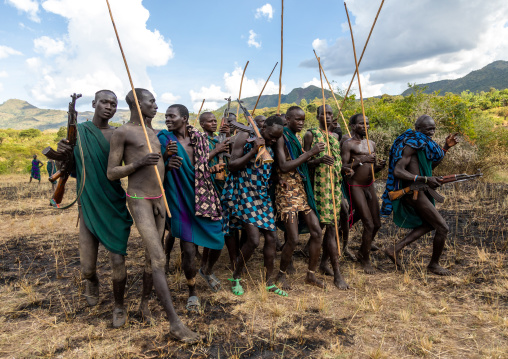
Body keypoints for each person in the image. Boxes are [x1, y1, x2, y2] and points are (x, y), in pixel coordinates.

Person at [107, 89, 199, 343]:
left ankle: (145, 303)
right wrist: (138, 164)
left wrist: (168, 165)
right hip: (139, 200)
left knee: (151, 259)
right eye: (152, 102)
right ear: (138, 104)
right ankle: (175, 324)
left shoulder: (155, 134)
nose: (156, 106)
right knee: (159, 258)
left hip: (160, 199)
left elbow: (159, 171)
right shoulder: (123, 132)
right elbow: (112, 172)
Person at [55, 90, 134, 328]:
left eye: (113, 103)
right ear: (94, 104)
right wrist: (63, 154)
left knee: (118, 262)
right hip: (88, 205)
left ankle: (119, 306)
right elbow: (69, 169)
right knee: (87, 269)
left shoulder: (118, 135)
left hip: (114, 205)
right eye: (104, 102)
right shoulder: (79, 133)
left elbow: (129, 164)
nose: (109, 107)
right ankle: (93, 281)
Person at [158, 105, 225, 313]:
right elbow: (156, 166)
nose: (168, 119)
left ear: (185, 118)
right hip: (178, 196)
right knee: (187, 249)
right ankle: (192, 292)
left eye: (172, 116)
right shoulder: (163, 139)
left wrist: (211, 169)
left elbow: (202, 165)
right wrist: (165, 158)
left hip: (202, 195)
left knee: (218, 239)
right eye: (166, 116)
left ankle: (206, 269)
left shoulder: (200, 139)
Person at [381, 115, 458, 276]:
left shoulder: (423, 145)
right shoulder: (411, 145)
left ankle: (394, 249)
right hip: (413, 192)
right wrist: (424, 179)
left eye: (433, 129)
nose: (431, 132)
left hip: (420, 190)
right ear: (418, 129)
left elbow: (430, 166)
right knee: (443, 227)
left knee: (430, 224)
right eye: (427, 129)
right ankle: (433, 265)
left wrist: (446, 147)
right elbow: (398, 170)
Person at [222, 115, 285, 296]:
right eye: (271, 136)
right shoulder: (244, 137)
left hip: (262, 195)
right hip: (244, 193)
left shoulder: (272, 143)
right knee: (254, 240)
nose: (273, 140)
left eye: (276, 138)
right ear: (263, 127)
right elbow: (232, 165)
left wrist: (278, 180)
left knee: (272, 238)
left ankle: (269, 282)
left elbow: (265, 169)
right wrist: (253, 151)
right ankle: (236, 276)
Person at [273, 106, 326, 290]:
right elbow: (283, 166)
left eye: (303, 119)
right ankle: (281, 275)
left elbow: (303, 163)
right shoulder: (282, 137)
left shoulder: (295, 138)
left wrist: (315, 158)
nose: (301, 123)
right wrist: (310, 153)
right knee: (293, 239)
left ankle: (310, 275)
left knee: (317, 232)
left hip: (301, 191)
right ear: (287, 119)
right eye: (297, 119)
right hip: (286, 192)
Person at [303, 104, 348, 289]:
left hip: (335, 187)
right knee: (327, 228)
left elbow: (338, 163)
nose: (328, 116)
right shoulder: (310, 134)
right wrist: (319, 160)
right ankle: (334, 272)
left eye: (330, 113)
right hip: (319, 188)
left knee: (333, 228)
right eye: (324, 113)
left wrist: (345, 168)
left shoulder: (336, 137)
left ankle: (328, 266)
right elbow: (305, 163)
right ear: (318, 115)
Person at [341, 114, 386, 274]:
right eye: (361, 123)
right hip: (355, 186)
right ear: (353, 126)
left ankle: (361, 250)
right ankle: (365, 258)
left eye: (367, 123)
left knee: (377, 224)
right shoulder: (348, 144)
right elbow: (343, 166)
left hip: (369, 185)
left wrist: (379, 166)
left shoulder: (371, 144)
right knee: (368, 223)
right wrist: (361, 160)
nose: (365, 126)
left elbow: (371, 168)